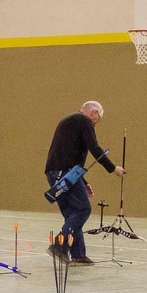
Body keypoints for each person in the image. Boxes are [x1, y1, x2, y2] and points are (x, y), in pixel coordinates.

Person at [44, 102, 121, 266]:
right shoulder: (83, 120)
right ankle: (59, 246)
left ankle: (78, 255)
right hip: (65, 173)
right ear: (94, 113)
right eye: (97, 119)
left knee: (72, 214)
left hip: (55, 172)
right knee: (83, 209)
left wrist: (83, 181)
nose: (95, 124)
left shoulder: (70, 121)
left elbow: (70, 155)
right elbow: (94, 147)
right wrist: (113, 168)